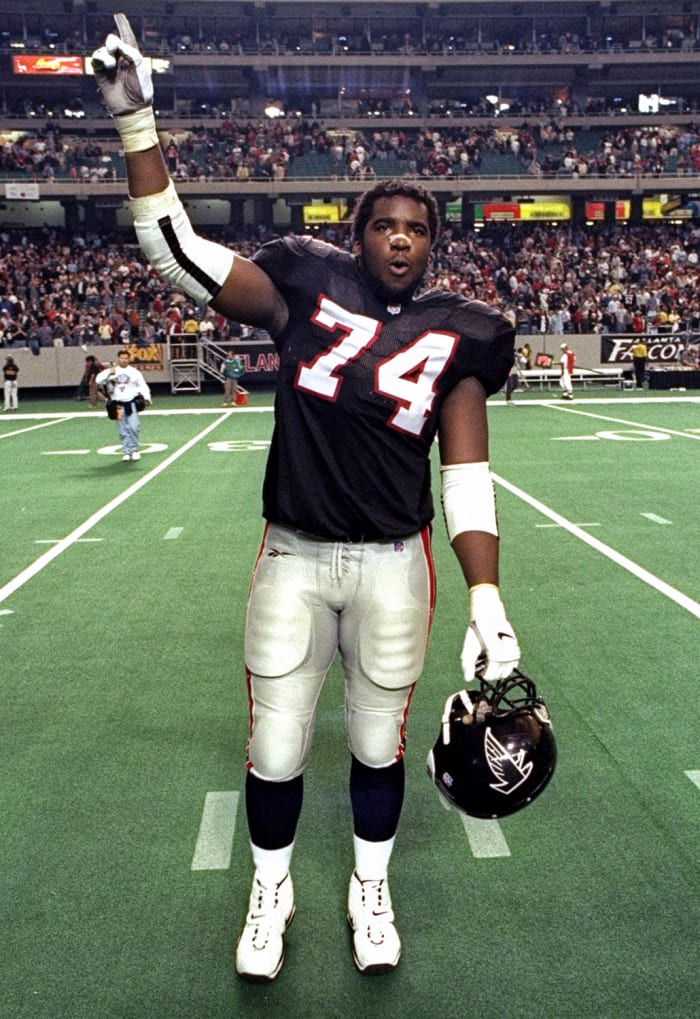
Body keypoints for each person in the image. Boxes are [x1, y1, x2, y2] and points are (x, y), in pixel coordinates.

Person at [92, 16, 521, 982]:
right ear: (356, 233)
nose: (401, 237)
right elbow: (179, 254)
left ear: (434, 244)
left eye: (417, 228)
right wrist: (135, 125)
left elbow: (466, 475)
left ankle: (371, 886)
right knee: (277, 746)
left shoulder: (464, 333)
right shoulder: (303, 287)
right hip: (294, 553)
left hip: (393, 562)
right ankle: (271, 889)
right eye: (385, 224)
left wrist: (487, 596)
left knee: (377, 744)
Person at [95, 348, 152, 462]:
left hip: (131, 403)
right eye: (122, 358)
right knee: (122, 429)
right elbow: (98, 380)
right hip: (118, 405)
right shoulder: (112, 371)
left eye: (126, 358)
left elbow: (142, 385)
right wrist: (108, 373)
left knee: (133, 427)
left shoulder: (134, 372)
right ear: (118, 359)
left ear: (129, 359)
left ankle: (134, 450)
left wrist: (147, 397)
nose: (124, 360)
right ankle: (126, 451)